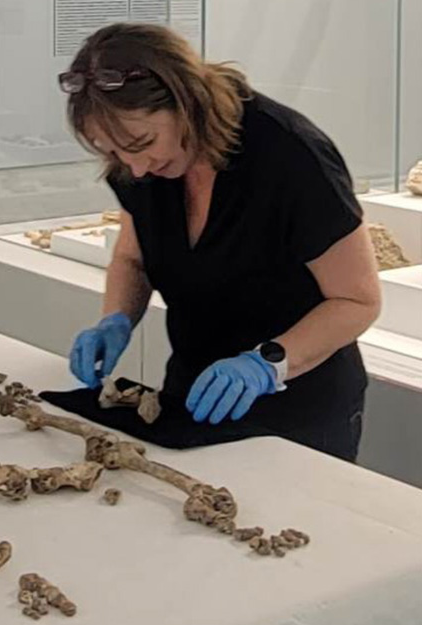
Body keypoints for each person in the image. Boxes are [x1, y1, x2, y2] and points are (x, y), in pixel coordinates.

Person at [63, 23, 381, 462]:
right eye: (115, 153)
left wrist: (266, 365)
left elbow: (357, 300)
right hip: (193, 393)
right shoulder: (142, 166)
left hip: (299, 407)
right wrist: (115, 319)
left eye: (142, 143)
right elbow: (132, 260)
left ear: (186, 100)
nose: (135, 168)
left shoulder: (289, 154)